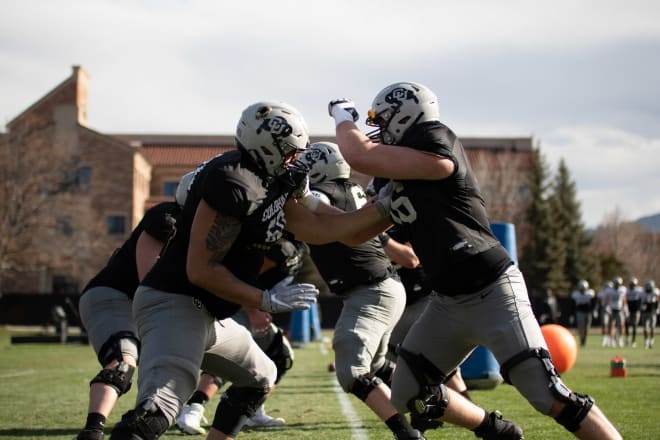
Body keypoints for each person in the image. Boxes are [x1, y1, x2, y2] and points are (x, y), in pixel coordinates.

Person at [327, 82, 622, 439]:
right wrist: (316, 209)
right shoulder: (397, 175)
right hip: (447, 302)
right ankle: (494, 430)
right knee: (408, 393)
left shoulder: (434, 136)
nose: (382, 131)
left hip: (491, 288)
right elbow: (355, 233)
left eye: (385, 121)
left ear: (407, 115)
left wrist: (344, 119)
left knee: (547, 394)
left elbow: (360, 155)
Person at [109, 101, 392, 440]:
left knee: (261, 377)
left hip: (210, 312)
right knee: (158, 412)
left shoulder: (277, 180)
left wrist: (386, 212)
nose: (295, 159)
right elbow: (201, 269)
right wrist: (264, 299)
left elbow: (322, 228)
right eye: (289, 150)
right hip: (175, 301)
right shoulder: (234, 181)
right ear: (265, 143)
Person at [298, 141, 423, 440]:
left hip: (371, 290)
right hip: (385, 286)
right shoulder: (351, 191)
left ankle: (407, 433)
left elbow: (316, 204)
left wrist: (299, 196)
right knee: (378, 367)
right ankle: (433, 403)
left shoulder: (325, 192)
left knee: (352, 371)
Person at [76, 190, 184, 439]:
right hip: (115, 295)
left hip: (145, 304)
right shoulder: (169, 218)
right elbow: (149, 281)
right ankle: (93, 430)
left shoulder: (206, 233)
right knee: (123, 360)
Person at [176, 238, 305, 434]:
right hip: (233, 303)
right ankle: (193, 408)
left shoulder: (299, 247)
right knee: (230, 357)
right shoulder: (277, 241)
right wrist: (254, 311)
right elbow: (244, 276)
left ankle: (253, 410)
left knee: (281, 355)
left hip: (251, 304)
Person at [570, 280, 596, 347]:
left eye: (584, 289)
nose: (582, 290)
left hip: (588, 312)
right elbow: (573, 305)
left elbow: (593, 303)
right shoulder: (575, 294)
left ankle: (584, 340)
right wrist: (572, 314)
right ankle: (582, 340)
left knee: (587, 328)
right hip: (580, 312)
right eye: (581, 289)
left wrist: (594, 311)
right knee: (581, 327)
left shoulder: (590, 293)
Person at [605, 276, 628, 348]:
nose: (617, 285)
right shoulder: (609, 290)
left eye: (618, 284)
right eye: (616, 283)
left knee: (621, 325)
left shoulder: (622, 290)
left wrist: (626, 308)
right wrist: (607, 306)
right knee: (611, 325)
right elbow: (607, 299)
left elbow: (624, 299)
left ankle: (620, 338)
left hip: (619, 309)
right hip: (611, 310)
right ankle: (612, 340)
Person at [624, 277, 643, 347]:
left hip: (636, 310)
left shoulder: (639, 290)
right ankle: (627, 339)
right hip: (628, 310)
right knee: (627, 324)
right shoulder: (626, 290)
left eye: (633, 284)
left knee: (634, 325)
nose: (632, 286)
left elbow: (641, 299)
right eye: (631, 284)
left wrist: (641, 306)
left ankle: (634, 340)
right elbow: (624, 299)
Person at [640, 279, 659, 349]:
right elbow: (641, 302)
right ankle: (646, 341)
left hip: (652, 311)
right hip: (645, 312)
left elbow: (658, 300)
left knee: (652, 327)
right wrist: (642, 306)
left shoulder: (655, 292)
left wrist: (657, 308)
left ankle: (651, 341)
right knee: (645, 328)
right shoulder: (643, 292)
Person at [596, 281, 613, 347]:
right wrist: (596, 309)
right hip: (604, 309)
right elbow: (598, 302)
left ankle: (610, 339)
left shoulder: (614, 292)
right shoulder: (601, 293)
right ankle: (605, 337)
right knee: (604, 324)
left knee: (611, 325)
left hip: (613, 309)